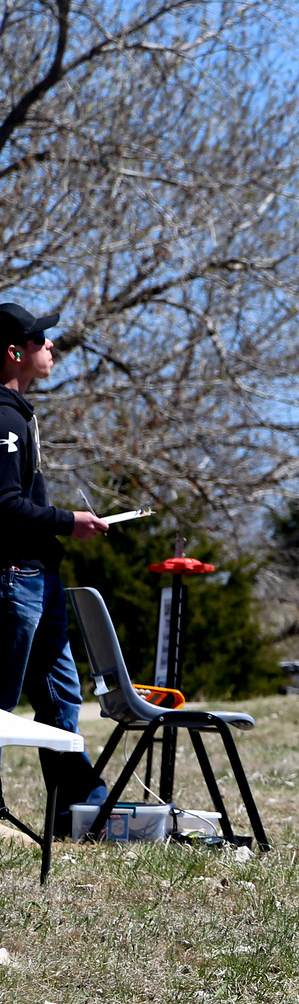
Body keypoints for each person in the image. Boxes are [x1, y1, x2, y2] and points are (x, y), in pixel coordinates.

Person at [0, 303, 110, 824]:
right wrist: (70, 521)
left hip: (39, 579)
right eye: (42, 339)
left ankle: (78, 810)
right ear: (14, 351)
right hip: (12, 580)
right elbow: (2, 504)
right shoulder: (1, 417)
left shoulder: (17, 412)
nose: (52, 347)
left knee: (62, 696)